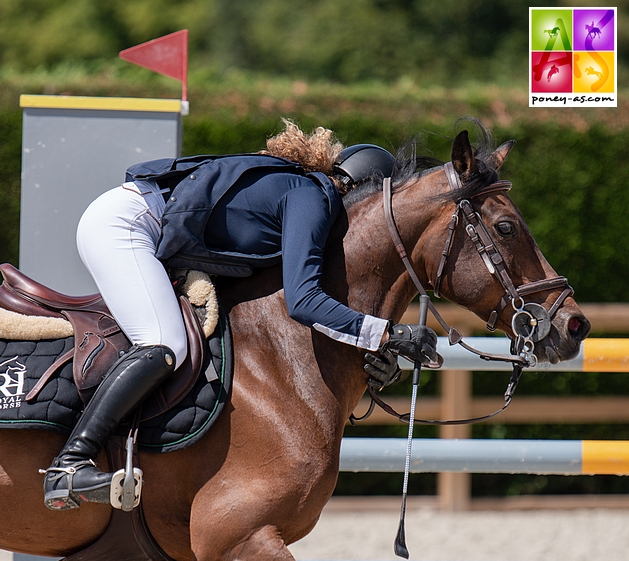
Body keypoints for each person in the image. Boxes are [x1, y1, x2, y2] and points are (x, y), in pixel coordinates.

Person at [42, 121, 439, 511]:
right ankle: (69, 466)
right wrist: (385, 334)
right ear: (357, 192)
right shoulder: (313, 196)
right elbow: (303, 301)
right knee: (164, 344)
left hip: (131, 215)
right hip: (125, 225)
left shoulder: (296, 189)